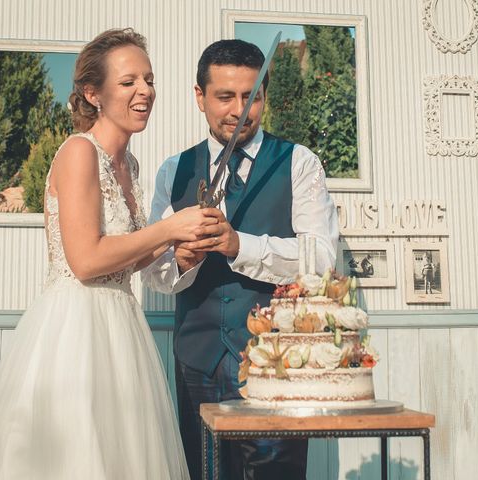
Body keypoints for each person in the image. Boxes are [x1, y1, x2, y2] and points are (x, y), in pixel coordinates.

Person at [0, 28, 220, 479]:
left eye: (149, 79)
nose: (145, 91)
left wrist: (182, 247)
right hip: (76, 331)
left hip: (122, 327)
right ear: (92, 93)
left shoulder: (130, 164)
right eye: (128, 83)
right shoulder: (80, 152)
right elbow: (85, 260)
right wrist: (169, 227)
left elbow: (130, 257)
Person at [142, 39, 338, 480]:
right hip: (197, 360)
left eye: (251, 97)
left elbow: (323, 261)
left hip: (279, 364)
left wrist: (239, 246)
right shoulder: (174, 171)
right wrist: (183, 261)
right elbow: (154, 275)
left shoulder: (299, 163)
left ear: (264, 97)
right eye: (225, 96)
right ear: (200, 97)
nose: (239, 110)